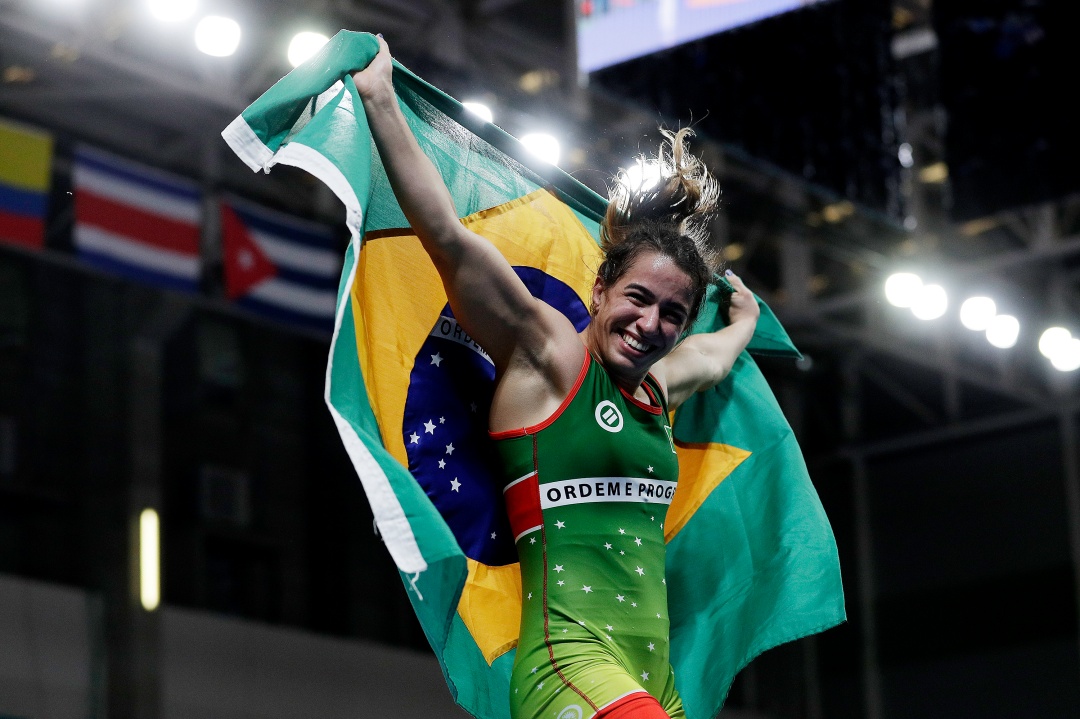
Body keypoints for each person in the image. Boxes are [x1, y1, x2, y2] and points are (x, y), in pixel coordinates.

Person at [352, 36, 759, 719]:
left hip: (649, 678)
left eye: (672, 313)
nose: (651, 323)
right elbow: (449, 237)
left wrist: (742, 320)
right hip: (568, 663)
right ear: (599, 291)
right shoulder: (549, 356)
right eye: (638, 298)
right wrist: (381, 101)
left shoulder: (660, 391)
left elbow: (714, 358)